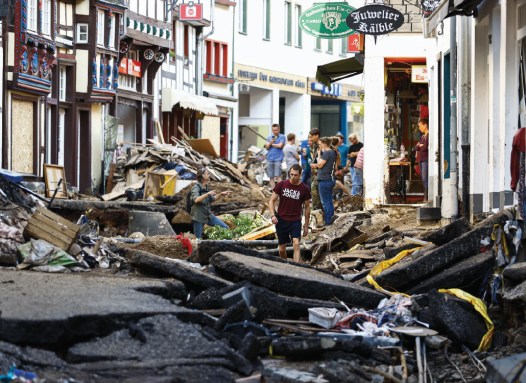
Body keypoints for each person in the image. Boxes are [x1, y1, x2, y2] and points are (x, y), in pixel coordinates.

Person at [268, 164, 311, 262]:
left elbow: (307, 207)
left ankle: (296, 267)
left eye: (295, 175)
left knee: (296, 243)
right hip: (282, 219)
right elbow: (271, 201)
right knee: (282, 249)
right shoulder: (282, 185)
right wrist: (272, 215)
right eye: (291, 174)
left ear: (300, 175)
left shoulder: (304, 189)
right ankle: (285, 266)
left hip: (295, 220)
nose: (293, 177)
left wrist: (306, 225)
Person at [190, 168, 231, 239]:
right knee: (198, 239)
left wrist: (221, 194)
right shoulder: (196, 188)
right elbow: (196, 200)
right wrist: (207, 194)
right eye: (207, 174)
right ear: (202, 176)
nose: (209, 175)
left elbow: (212, 199)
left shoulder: (206, 187)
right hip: (198, 216)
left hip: (208, 215)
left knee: (225, 227)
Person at [311, 137, 336, 225]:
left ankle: (328, 221)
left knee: (325, 202)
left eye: (320, 144)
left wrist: (315, 165)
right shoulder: (332, 152)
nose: (319, 145)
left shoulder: (327, 153)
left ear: (325, 144)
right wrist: (319, 154)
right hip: (329, 179)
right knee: (329, 201)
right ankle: (331, 219)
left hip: (324, 179)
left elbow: (320, 165)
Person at [264, 123, 286, 190]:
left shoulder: (282, 136)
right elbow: (267, 148)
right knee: (271, 176)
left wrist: (271, 144)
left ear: (279, 129)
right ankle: (274, 191)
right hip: (269, 158)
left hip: (278, 159)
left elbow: (280, 146)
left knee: (278, 176)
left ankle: (280, 191)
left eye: (276, 130)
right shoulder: (269, 137)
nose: (275, 131)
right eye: (273, 130)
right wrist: (270, 143)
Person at [415, 118, 429, 201]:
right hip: (421, 159)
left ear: (425, 125)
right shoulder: (422, 137)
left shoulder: (428, 136)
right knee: (423, 178)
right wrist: (419, 146)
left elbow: (425, 147)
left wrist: (421, 146)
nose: (419, 128)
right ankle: (425, 195)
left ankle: (426, 196)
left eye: (420, 126)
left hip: (426, 159)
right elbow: (416, 148)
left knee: (425, 178)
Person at [308, 128, 322, 210]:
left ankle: (317, 211)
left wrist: (316, 165)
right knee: (315, 194)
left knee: (316, 193)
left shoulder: (322, 145)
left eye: (312, 137)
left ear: (317, 136)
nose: (310, 139)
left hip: (321, 172)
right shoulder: (313, 146)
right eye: (309, 137)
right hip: (314, 172)